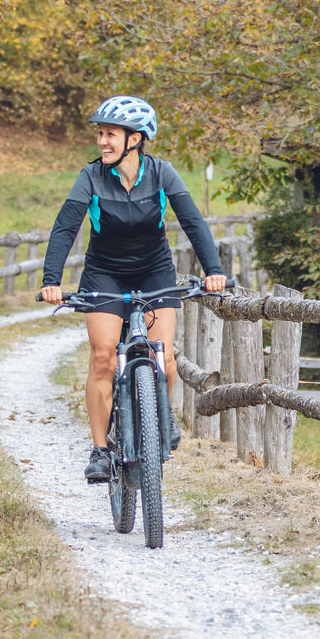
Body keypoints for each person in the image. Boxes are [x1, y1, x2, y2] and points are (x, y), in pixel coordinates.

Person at [36, 94, 226, 484]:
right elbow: (65, 228)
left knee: (165, 359)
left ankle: (160, 417)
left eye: (110, 134)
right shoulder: (90, 177)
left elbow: (192, 221)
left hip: (153, 271)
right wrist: (51, 281)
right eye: (101, 134)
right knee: (104, 356)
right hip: (104, 273)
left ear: (135, 139)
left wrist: (214, 271)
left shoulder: (162, 173)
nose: (102, 142)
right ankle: (100, 450)